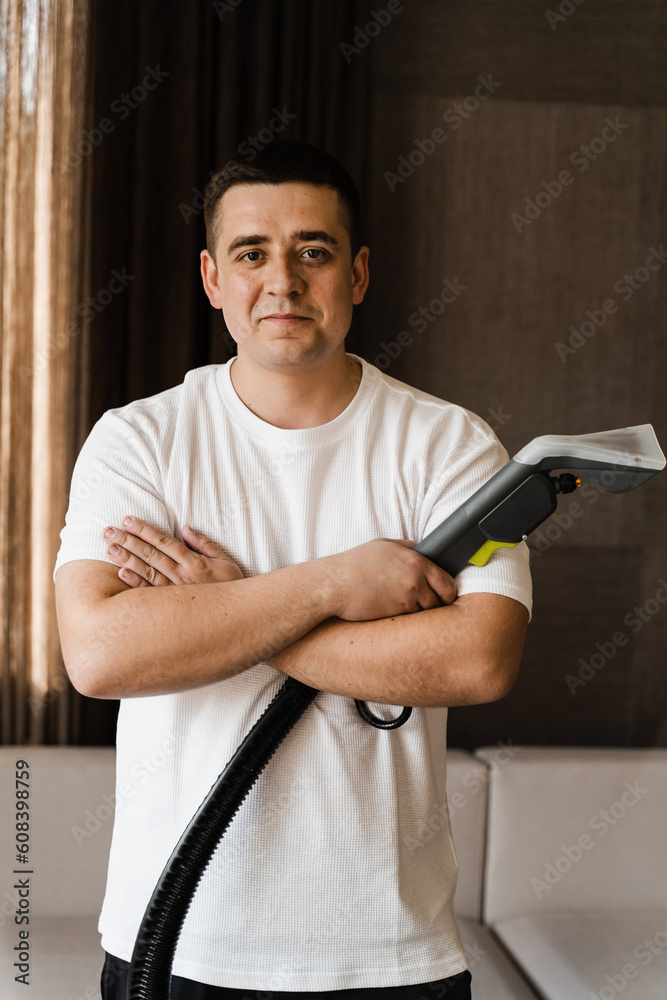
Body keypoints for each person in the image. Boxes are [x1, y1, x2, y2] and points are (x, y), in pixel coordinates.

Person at [54, 141, 532, 1000]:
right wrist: (332, 586)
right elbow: (99, 654)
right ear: (211, 278)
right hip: (176, 940)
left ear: (356, 274)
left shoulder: (453, 447)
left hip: (390, 955)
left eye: (312, 251)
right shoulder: (138, 443)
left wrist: (223, 609)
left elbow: (478, 660)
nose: (282, 280)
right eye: (251, 253)